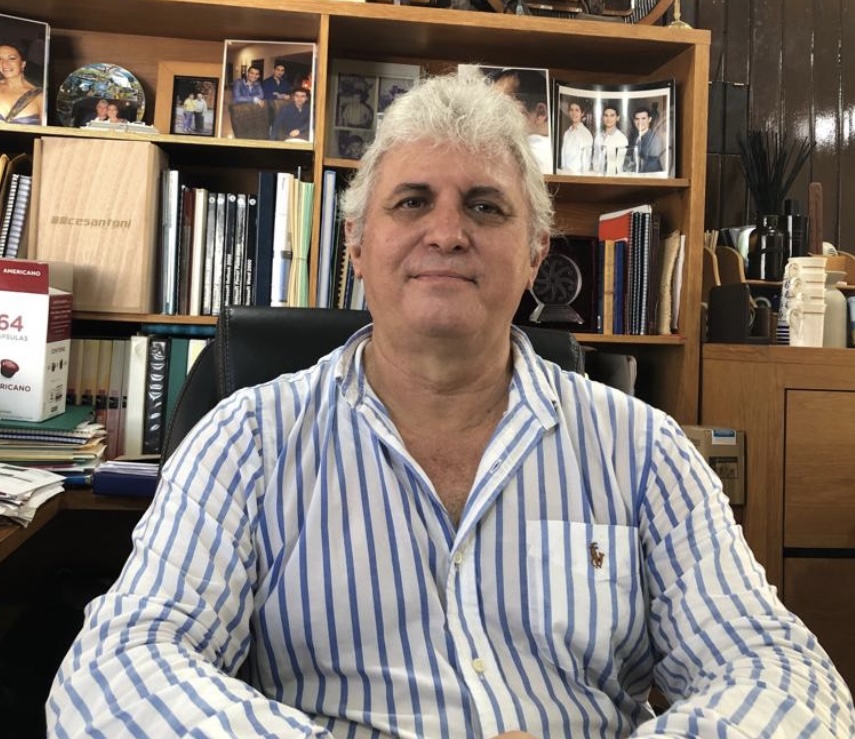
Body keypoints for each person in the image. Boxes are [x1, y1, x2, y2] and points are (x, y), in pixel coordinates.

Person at [47, 71, 854, 738]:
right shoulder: (247, 439)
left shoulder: (642, 449)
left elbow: (781, 675)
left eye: (484, 206)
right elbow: (115, 670)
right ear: (357, 244)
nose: (446, 232)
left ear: (534, 253)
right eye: (410, 201)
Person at [0, 43, 43, 125]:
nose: (5, 64)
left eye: (11, 58)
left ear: (23, 64)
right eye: (0, 59)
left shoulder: (40, 97)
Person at [593, 102, 628, 175]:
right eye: (606, 115)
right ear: (603, 118)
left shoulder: (622, 139)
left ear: (617, 118)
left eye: (612, 115)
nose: (608, 118)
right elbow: (595, 159)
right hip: (598, 176)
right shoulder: (598, 137)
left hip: (614, 177)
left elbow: (620, 165)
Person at [559, 99, 594, 174]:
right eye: (571, 110)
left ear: (582, 113)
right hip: (564, 175)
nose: (574, 113)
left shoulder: (586, 134)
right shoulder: (567, 133)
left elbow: (586, 163)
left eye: (577, 110)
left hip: (577, 176)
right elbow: (563, 159)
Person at [630, 105, 666, 173]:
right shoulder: (634, 137)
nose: (640, 122)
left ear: (649, 119)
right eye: (637, 119)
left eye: (643, 118)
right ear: (634, 121)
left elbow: (652, 164)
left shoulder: (654, 139)